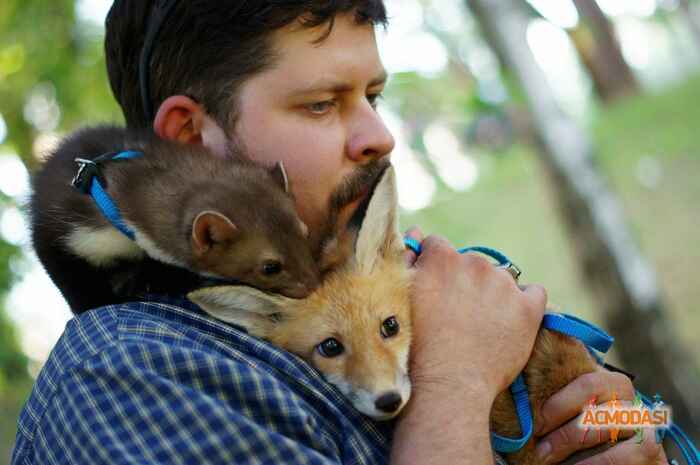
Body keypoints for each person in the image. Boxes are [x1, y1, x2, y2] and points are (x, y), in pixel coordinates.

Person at [13, 1, 668, 464]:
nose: (379, 135)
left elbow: (628, 418)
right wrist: (457, 384)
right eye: (322, 103)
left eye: (373, 97)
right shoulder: (126, 370)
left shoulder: (386, 289)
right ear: (193, 141)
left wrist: (627, 427)